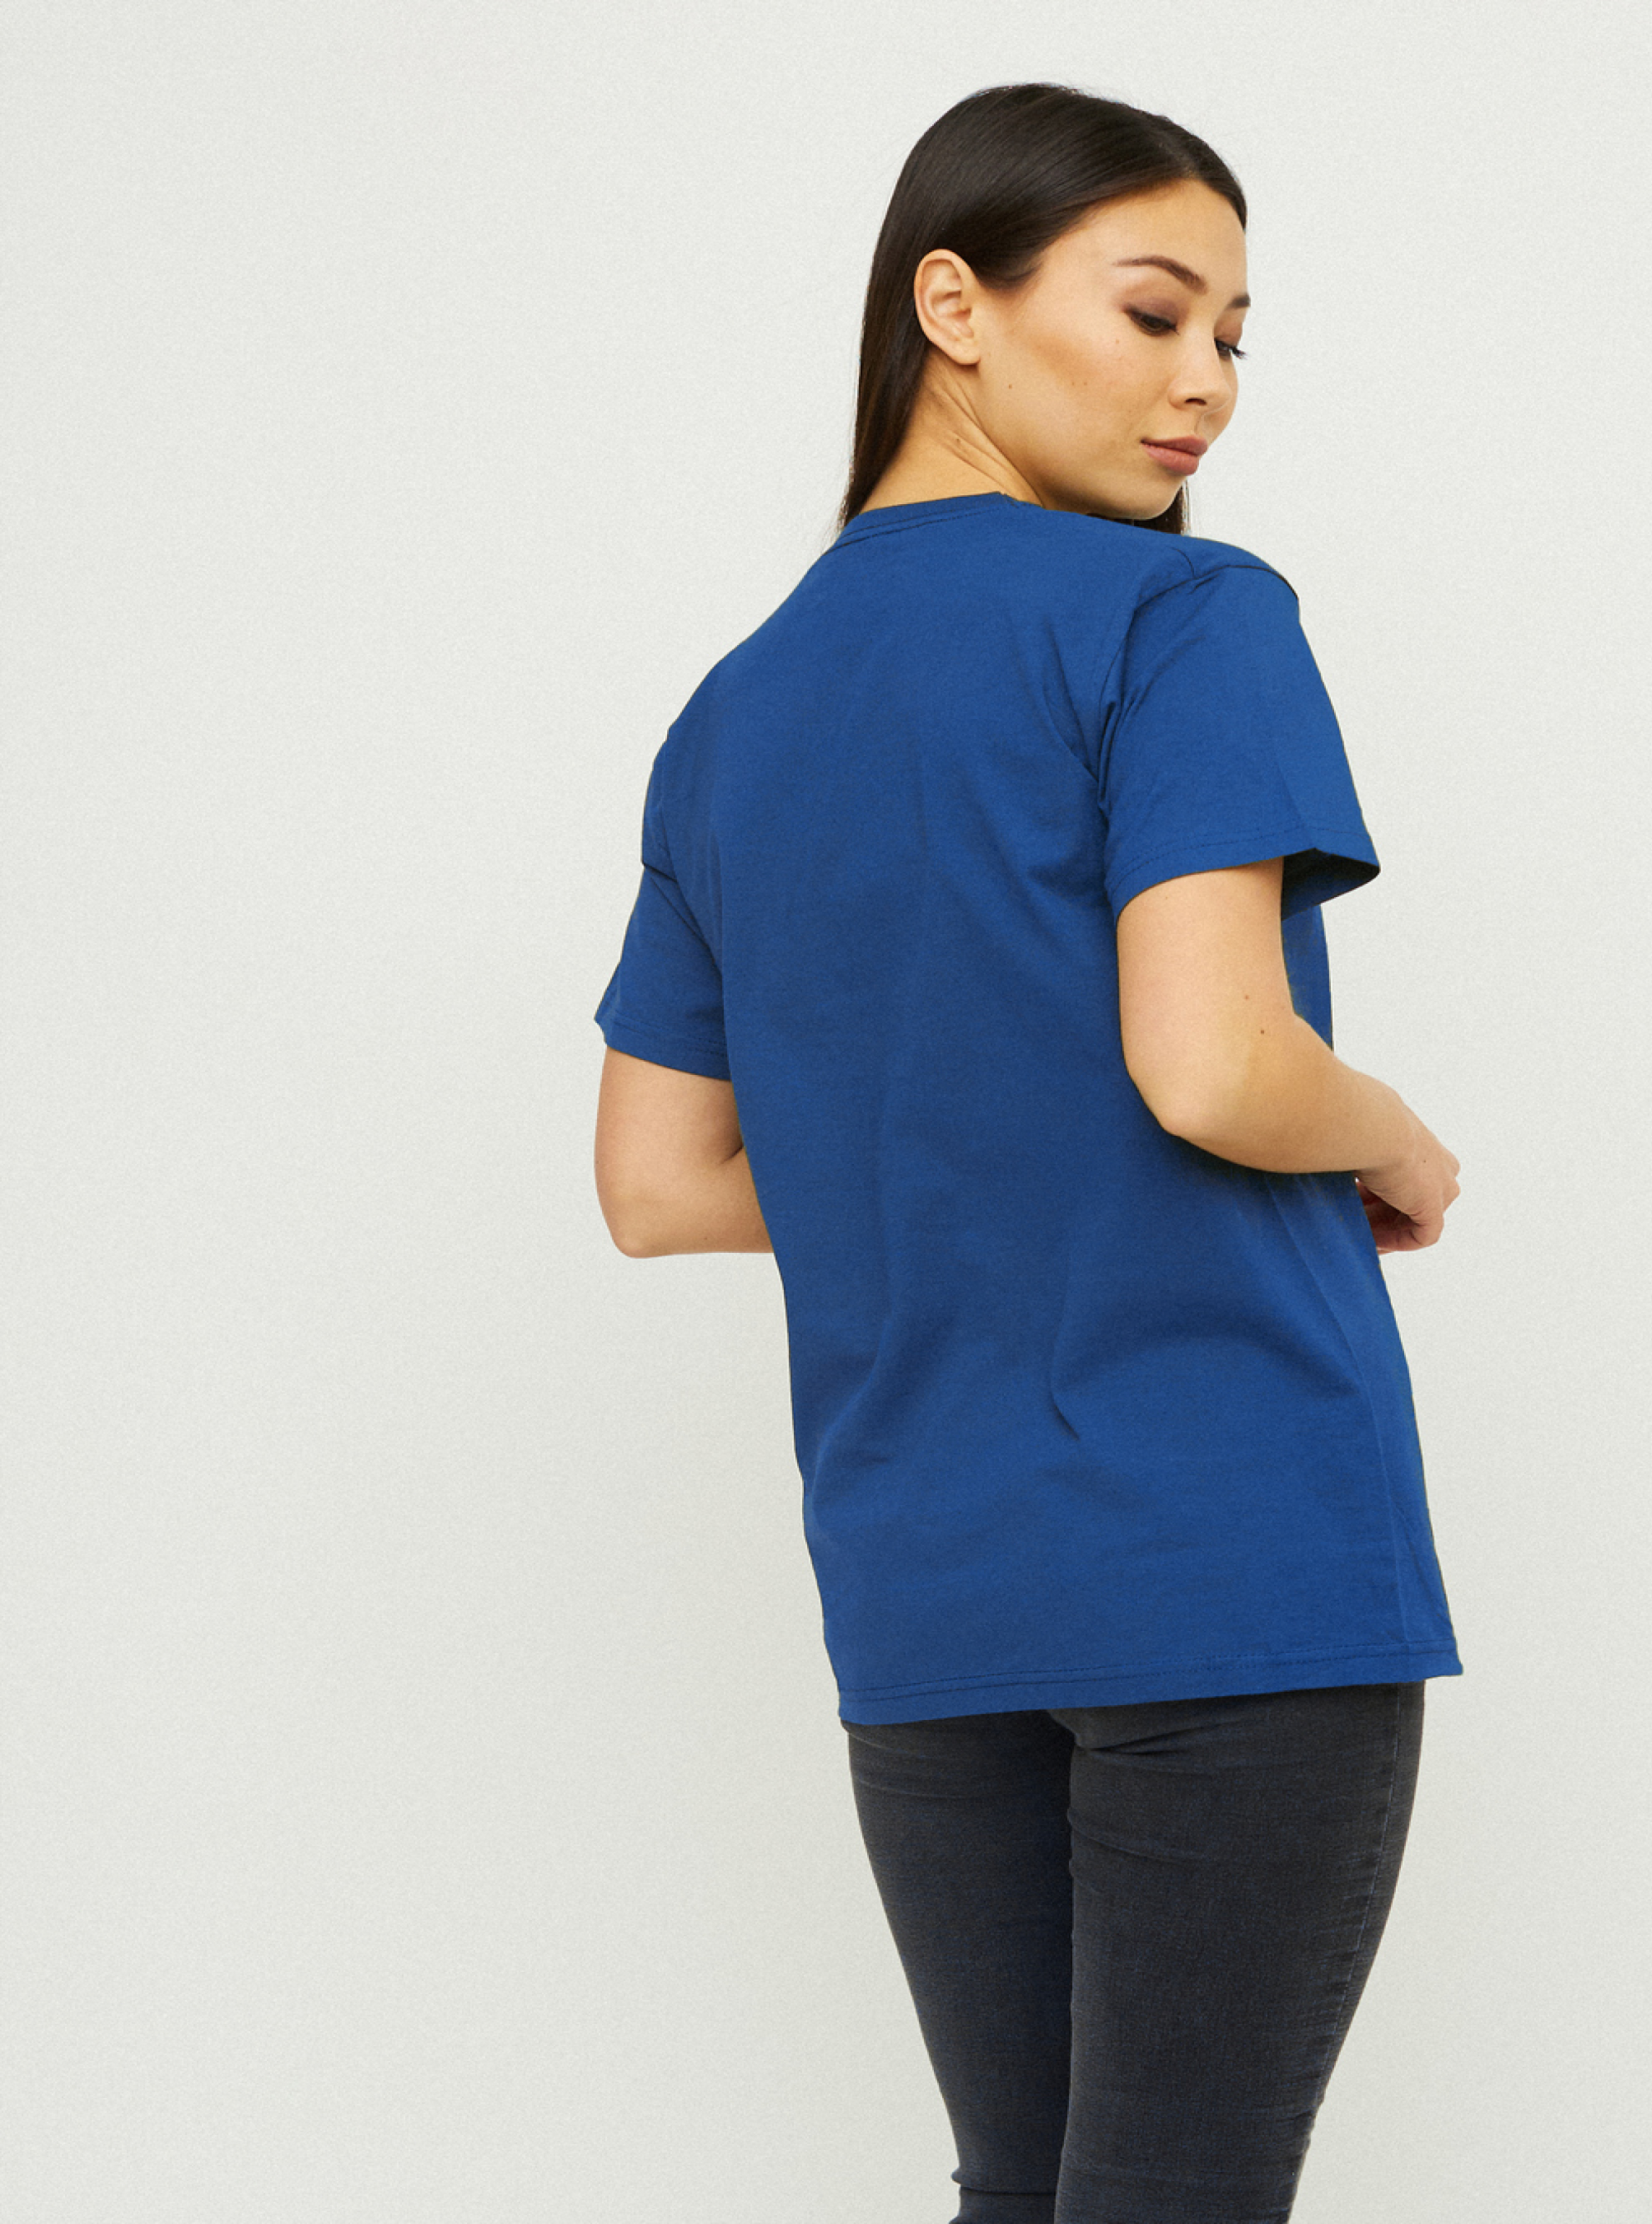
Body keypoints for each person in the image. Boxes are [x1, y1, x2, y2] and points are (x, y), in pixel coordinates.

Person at [590, 81, 1463, 2224]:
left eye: (1234, 336)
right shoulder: (1182, 617)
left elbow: (661, 1182)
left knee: (1028, 2189)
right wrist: (1397, 1140)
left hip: (927, 1581)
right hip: (1225, 1551)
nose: (1206, 384)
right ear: (951, 304)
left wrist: (947, 1150)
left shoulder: (735, 708)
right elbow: (1216, 1065)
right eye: (1155, 311)